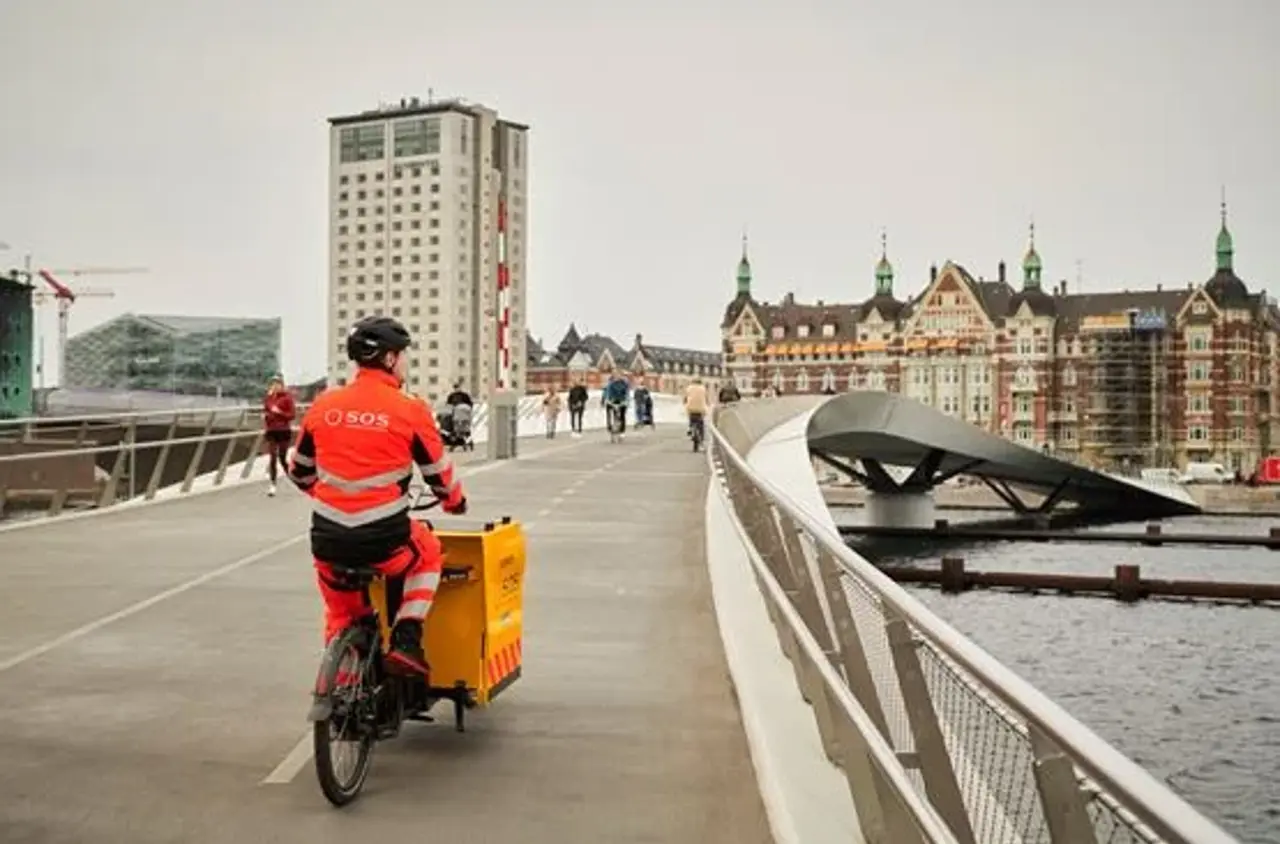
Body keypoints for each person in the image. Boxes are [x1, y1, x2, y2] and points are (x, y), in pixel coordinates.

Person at [288, 316, 468, 677]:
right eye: (403, 356)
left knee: (341, 614)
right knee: (428, 551)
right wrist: (454, 503)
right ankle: (406, 637)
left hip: (328, 539)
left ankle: (341, 699)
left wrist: (333, 495)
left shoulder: (324, 404)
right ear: (389, 359)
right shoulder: (410, 409)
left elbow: (299, 471)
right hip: (385, 541)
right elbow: (439, 475)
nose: (405, 362)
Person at [262, 375, 296, 497]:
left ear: (282, 385)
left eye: (277, 384)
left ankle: (294, 479)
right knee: (272, 457)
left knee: (282, 458)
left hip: (283, 431)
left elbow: (292, 415)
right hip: (271, 431)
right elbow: (266, 410)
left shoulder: (287, 398)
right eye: (273, 384)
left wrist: (279, 412)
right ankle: (273, 485)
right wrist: (266, 416)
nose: (275, 386)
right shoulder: (269, 398)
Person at [601, 372, 630, 437]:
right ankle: (612, 427)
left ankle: (622, 430)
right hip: (613, 400)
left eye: (619, 376)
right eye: (616, 376)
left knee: (622, 415)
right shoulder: (611, 384)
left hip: (622, 400)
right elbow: (608, 392)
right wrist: (609, 400)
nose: (617, 378)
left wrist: (626, 401)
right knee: (613, 413)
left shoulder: (624, 384)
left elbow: (627, 393)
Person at [684, 377, 709, 442]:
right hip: (700, 409)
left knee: (690, 417)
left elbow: (685, 398)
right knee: (701, 423)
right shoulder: (703, 388)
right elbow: (706, 398)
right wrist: (707, 404)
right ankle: (702, 437)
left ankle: (690, 428)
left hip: (690, 408)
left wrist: (685, 402)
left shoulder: (689, 388)